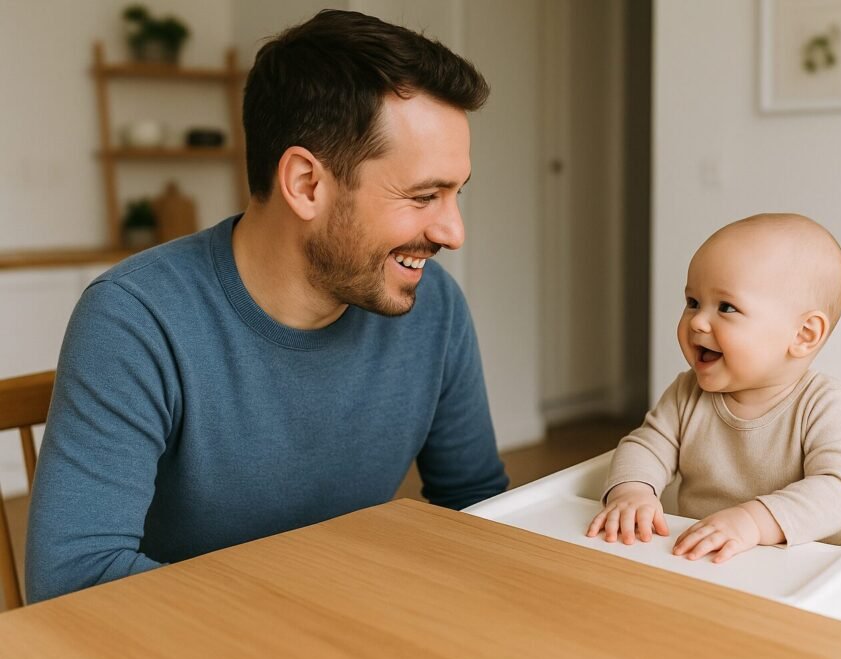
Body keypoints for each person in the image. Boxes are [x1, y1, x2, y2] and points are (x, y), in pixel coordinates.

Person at [26, 9, 508, 602]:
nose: (453, 232)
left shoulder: (434, 309)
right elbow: (74, 578)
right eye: (423, 195)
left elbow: (478, 508)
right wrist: (313, 608)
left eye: (456, 193)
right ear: (306, 183)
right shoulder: (135, 321)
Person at [586, 214, 841, 563]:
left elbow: (838, 492)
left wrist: (753, 521)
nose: (698, 322)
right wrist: (633, 491)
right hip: (704, 563)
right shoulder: (686, 394)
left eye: (726, 307)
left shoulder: (828, 406)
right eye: (692, 302)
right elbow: (645, 446)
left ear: (803, 335)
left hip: (805, 571)